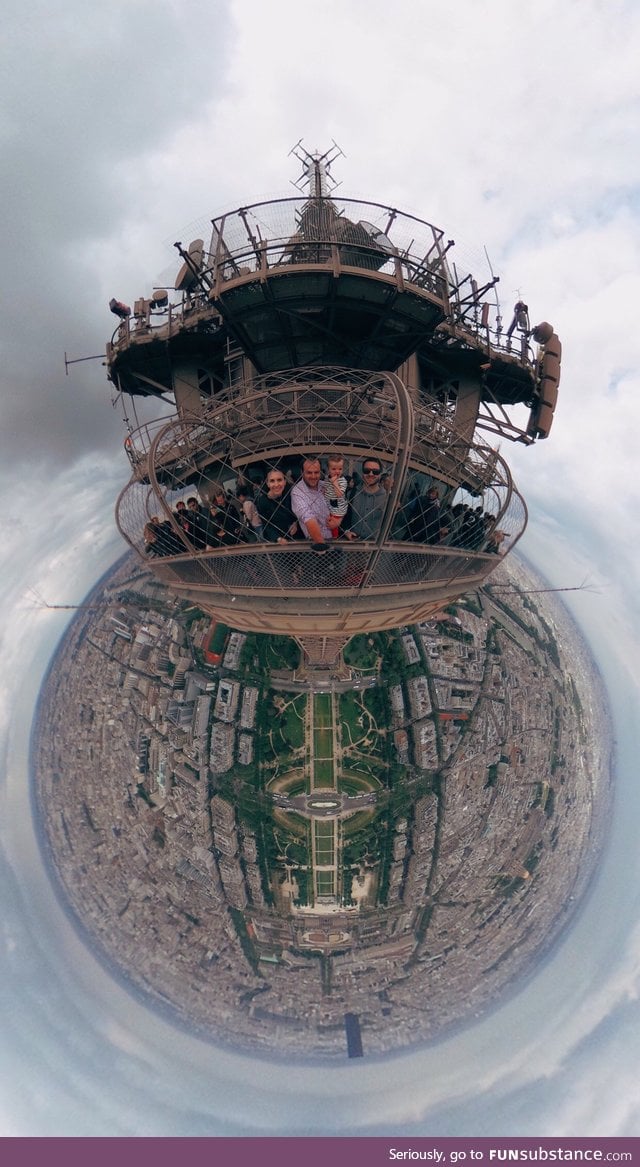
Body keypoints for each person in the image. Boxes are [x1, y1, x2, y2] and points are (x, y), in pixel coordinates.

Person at [290, 457, 332, 545]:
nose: (313, 476)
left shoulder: (324, 485)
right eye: (309, 472)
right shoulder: (297, 492)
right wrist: (322, 545)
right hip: (315, 544)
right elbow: (309, 519)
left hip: (337, 540)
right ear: (302, 473)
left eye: (316, 472)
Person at [344, 456, 387, 540]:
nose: (371, 474)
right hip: (351, 544)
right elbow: (344, 517)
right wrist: (346, 531)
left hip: (374, 547)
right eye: (367, 470)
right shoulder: (351, 493)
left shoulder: (387, 498)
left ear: (380, 474)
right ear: (362, 472)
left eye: (375, 471)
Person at [256, 468, 298, 543]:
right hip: (277, 541)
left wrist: (296, 523)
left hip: (296, 537)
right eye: (272, 481)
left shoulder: (290, 494)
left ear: (284, 482)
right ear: (267, 483)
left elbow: (297, 514)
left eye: (279, 480)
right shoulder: (262, 501)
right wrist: (277, 538)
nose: (276, 484)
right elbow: (266, 524)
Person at [321, 454, 349, 536]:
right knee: (328, 524)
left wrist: (335, 483)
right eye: (333, 469)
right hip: (330, 506)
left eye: (340, 469)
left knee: (333, 526)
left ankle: (334, 538)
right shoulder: (327, 478)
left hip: (338, 509)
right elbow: (326, 487)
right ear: (328, 469)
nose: (337, 471)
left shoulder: (342, 481)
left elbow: (339, 494)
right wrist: (324, 491)